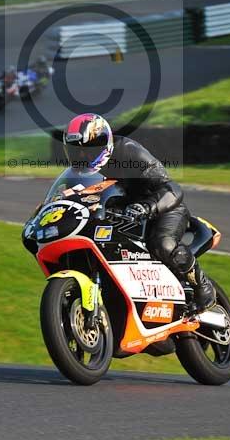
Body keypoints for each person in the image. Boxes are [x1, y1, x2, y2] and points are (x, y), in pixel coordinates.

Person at [62, 113, 216, 313]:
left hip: (163, 208)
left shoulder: (128, 152)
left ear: (104, 143)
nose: (83, 156)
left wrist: (147, 207)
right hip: (125, 214)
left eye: (88, 150)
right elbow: (69, 195)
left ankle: (203, 287)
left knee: (163, 244)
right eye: (77, 152)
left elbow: (171, 188)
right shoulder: (80, 173)